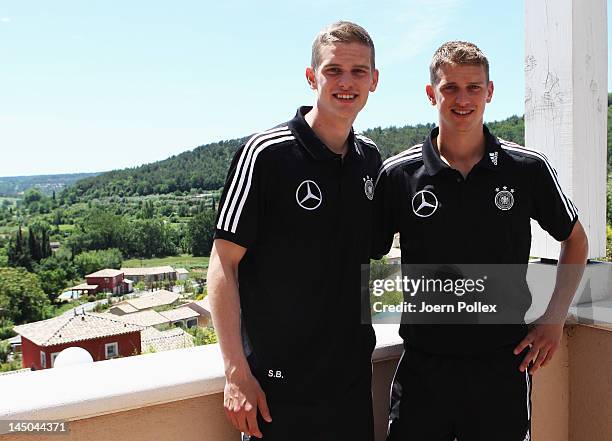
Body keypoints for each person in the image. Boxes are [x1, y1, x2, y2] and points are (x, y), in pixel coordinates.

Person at [373, 41, 588, 441]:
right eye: (450, 87)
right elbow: (362, 253)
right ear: (430, 94)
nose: (462, 99)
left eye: (473, 87)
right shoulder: (398, 175)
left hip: (502, 366)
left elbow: (575, 240)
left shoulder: (526, 168)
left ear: (489, 92)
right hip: (424, 365)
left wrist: (554, 318)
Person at [207, 21, 382, 440]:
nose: (346, 82)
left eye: (359, 71)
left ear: (374, 80)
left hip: (350, 385)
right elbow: (222, 264)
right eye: (333, 70)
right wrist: (235, 372)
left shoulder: (370, 159)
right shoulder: (267, 154)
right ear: (311, 77)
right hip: (276, 387)